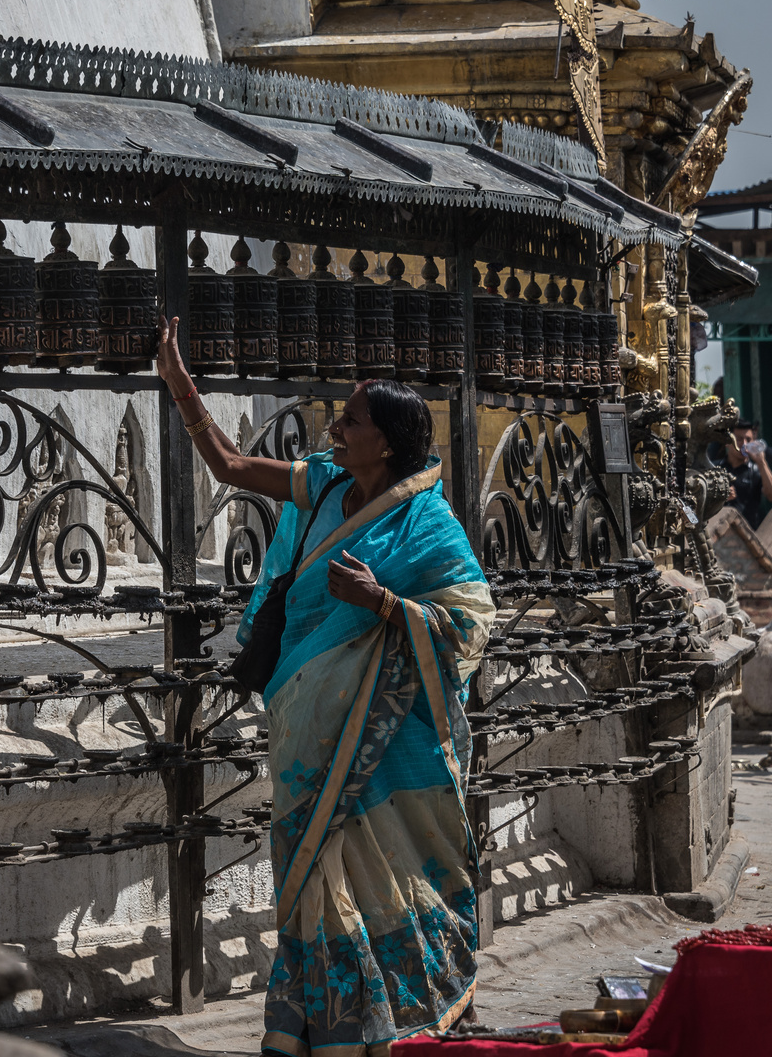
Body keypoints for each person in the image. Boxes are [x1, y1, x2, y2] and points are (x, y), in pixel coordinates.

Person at [155, 317, 496, 1053]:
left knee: (390, 874)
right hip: (306, 730)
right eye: (340, 416)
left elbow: (472, 622)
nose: (336, 427)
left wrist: (384, 604)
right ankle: (330, 1028)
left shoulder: (427, 524)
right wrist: (179, 384)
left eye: (352, 419)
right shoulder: (324, 483)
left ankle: (400, 1018)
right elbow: (230, 467)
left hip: (388, 748)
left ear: (391, 440)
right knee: (312, 877)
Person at [721, 421, 772, 529]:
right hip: (719, 533)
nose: (744, 444)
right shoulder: (716, 469)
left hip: (748, 536)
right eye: (739, 439)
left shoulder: (756, 470)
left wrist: (762, 463)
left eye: (748, 440)